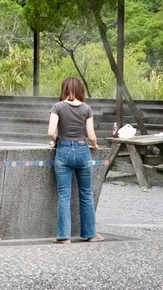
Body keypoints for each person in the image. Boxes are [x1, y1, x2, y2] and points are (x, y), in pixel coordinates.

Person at [47, 77, 103, 244]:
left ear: (63, 89)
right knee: (86, 193)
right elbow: (91, 135)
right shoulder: (86, 108)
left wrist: (56, 140)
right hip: (82, 150)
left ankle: (64, 237)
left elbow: (51, 132)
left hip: (63, 151)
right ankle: (91, 234)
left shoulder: (57, 107)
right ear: (80, 90)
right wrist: (94, 145)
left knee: (64, 195)